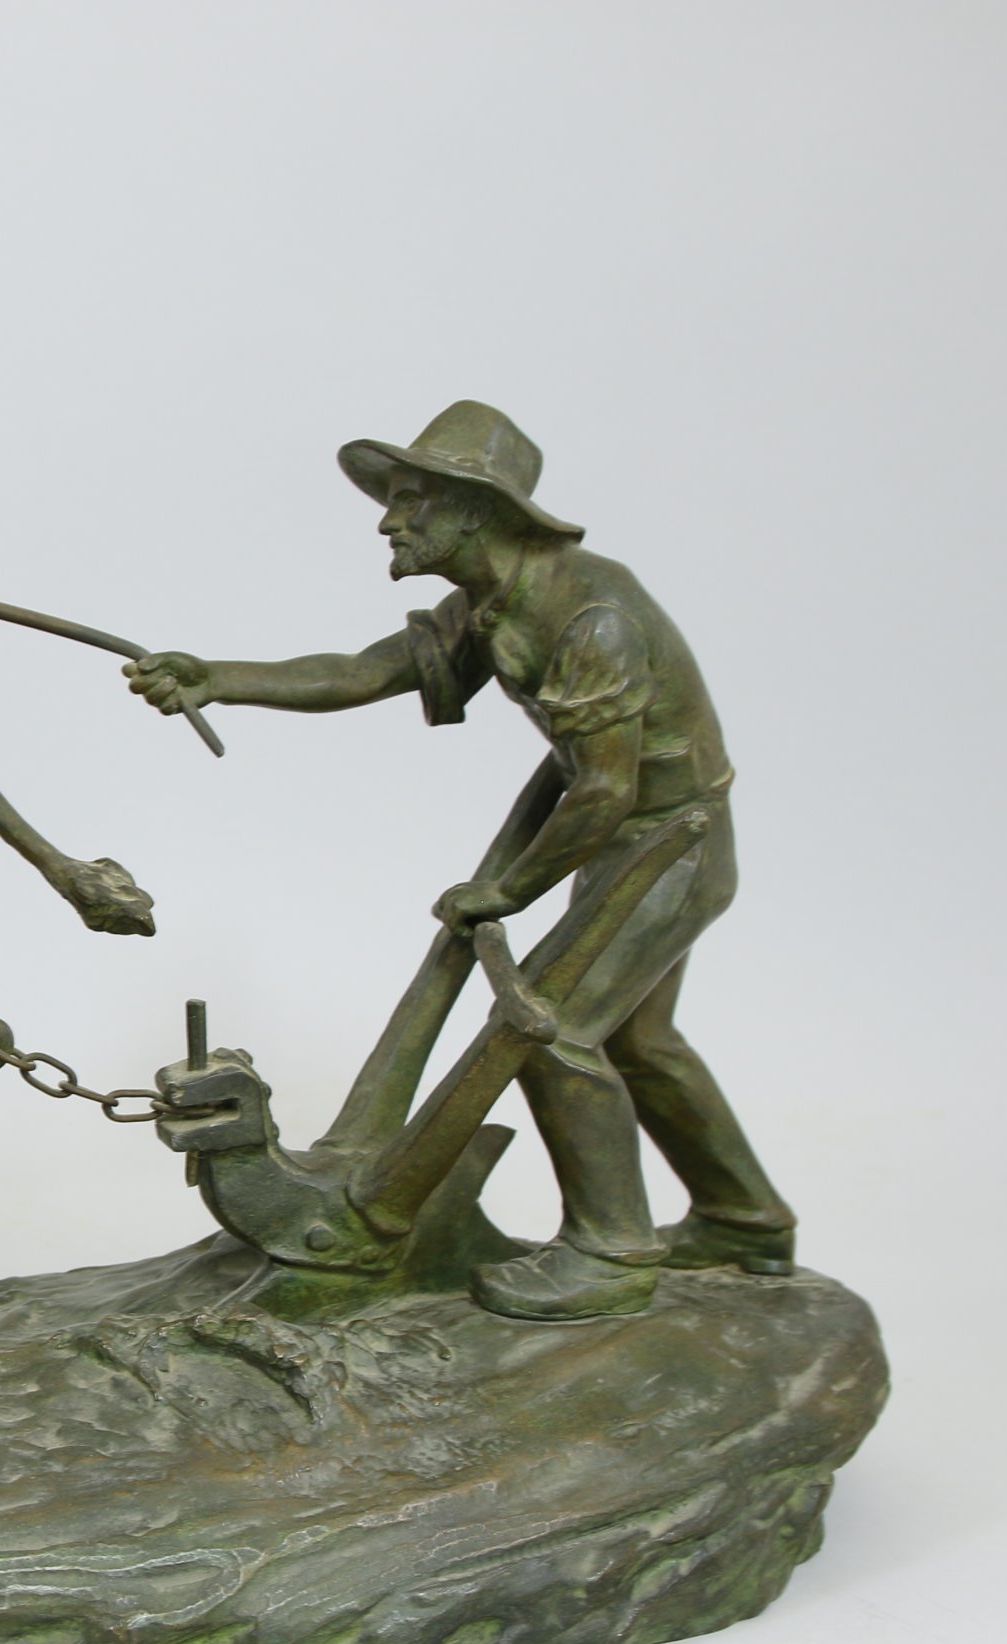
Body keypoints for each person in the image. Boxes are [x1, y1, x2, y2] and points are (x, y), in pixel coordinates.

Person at [126, 401, 796, 1319]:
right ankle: (747, 1221)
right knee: (642, 1043)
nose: (388, 521)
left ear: (477, 510)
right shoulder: (493, 603)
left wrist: (506, 890)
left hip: (671, 844)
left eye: (411, 501)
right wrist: (221, 679)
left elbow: (604, 790)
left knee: (550, 1031)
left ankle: (612, 1253)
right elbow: (366, 670)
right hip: (628, 837)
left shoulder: (591, 618)